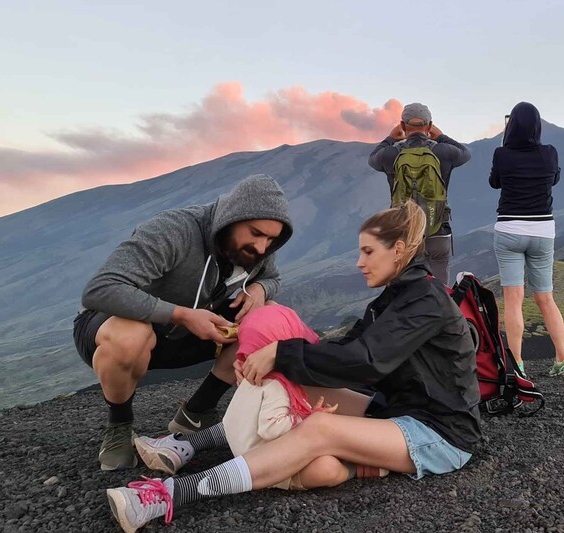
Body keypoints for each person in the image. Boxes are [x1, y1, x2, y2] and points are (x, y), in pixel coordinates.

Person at [105, 201, 481, 533]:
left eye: (368, 251)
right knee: (290, 383)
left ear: (398, 250)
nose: (359, 262)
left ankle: (169, 494)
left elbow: (363, 361)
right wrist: (277, 358)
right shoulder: (394, 298)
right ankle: (185, 445)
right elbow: (345, 347)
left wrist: (283, 351)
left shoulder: (424, 300)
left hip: (439, 432)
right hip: (395, 410)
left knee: (318, 427)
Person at [73, 174, 293, 471]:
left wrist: (260, 289)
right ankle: (119, 427)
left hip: (188, 333)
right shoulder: (175, 230)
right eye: (255, 233)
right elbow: (99, 289)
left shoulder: (255, 250)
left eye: (270, 239)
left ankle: (197, 412)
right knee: (132, 334)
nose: (262, 247)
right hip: (116, 329)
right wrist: (181, 315)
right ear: (232, 217)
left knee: (268, 315)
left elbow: (271, 278)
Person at [131, 304, 390, 489]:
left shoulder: (263, 381)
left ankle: (182, 449)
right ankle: (182, 460)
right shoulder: (275, 384)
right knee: (326, 467)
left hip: (254, 441)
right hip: (263, 452)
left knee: (325, 460)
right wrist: (311, 420)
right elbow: (272, 427)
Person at [489, 102, 564, 378]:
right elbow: (555, 179)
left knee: (514, 301)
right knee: (546, 299)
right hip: (542, 231)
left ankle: (518, 366)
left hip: (509, 229)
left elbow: (494, 182)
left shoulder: (502, 154)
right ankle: (563, 360)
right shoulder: (549, 153)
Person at [369, 102, 471, 282]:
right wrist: (441, 137)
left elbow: (372, 159)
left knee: (404, 292)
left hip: (404, 232)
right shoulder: (442, 151)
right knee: (439, 291)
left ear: (402, 126)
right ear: (429, 126)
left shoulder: (391, 153)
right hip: (438, 229)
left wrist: (390, 138)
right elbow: (465, 153)